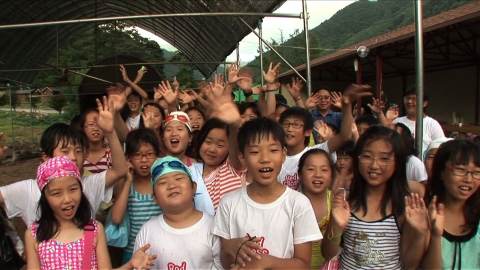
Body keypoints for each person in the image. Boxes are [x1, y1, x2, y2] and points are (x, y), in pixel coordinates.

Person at [212, 117, 322, 269]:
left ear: (284, 154)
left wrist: (267, 263)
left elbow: (304, 265)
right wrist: (230, 248)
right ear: (242, 156)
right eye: (255, 152)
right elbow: (225, 261)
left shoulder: (298, 204)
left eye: (273, 150)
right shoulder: (228, 203)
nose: (265, 159)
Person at [0, 97, 126, 226]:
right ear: (46, 157)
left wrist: (110, 132)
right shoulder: (29, 189)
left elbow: (120, 170)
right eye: (65, 152)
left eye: (78, 151)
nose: (73, 157)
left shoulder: (89, 184)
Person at [321, 125, 428, 269]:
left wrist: (420, 235)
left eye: (384, 158)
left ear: (397, 162)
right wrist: (337, 227)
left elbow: (409, 264)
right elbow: (327, 253)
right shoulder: (346, 200)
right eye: (367, 156)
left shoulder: (403, 205)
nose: (374, 165)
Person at [24, 156, 157, 270]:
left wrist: (130, 264)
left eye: (73, 189)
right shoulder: (34, 235)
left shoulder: (94, 230)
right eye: (56, 193)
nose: (67, 199)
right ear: (44, 197)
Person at [278, 84, 371, 191]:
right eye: (285, 124)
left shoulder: (316, 152)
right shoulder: (275, 156)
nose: (289, 129)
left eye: (296, 125)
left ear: (308, 132)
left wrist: (346, 105)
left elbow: (344, 136)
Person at [134, 156, 222, 269]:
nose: (172, 185)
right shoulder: (147, 231)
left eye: (179, 178)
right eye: (163, 182)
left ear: (194, 187)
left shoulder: (213, 227)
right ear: (155, 198)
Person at [422, 140, 480, 269]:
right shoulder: (424, 215)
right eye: (460, 170)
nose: (468, 179)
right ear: (441, 171)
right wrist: (436, 236)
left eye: (476, 172)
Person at [110, 128, 163, 264]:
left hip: (162, 251)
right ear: (129, 158)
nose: (144, 160)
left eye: (149, 154)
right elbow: (116, 218)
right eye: (137, 155)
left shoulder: (162, 182)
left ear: (158, 156)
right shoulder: (125, 184)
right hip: (132, 253)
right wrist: (128, 181)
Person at [298, 149, 336, 269]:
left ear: (331, 175)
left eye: (324, 170)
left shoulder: (336, 202)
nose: (318, 174)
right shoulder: (290, 202)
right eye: (311, 169)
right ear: (300, 174)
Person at [393, 86, 444, 153]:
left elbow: (441, 148)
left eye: (414, 99)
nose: (409, 101)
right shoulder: (397, 121)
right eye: (407, 98)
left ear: (424, 103)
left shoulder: (432, 124)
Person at [80, 108, 112, 174]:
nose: (96, 128)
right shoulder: (78, 155)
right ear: (82, 128)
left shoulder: (112, 155)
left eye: (99, 124)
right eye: (91, 124)